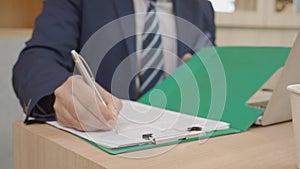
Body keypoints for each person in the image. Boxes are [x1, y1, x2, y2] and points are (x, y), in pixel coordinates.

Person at [13, 0, 216, 131]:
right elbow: (37, 58)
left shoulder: (202, 7)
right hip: (103, 144)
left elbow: (210, 70)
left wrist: (201, 79)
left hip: (180, 143)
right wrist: (61, 91)